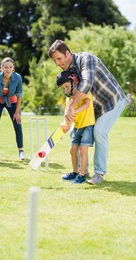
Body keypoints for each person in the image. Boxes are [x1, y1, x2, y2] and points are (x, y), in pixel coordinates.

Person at [48, 40, 127, 184]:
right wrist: (67, 119)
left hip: (113, 100)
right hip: (93, 107)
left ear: (67, 53)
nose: (58, 63)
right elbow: (71, 94)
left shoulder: (86, 58)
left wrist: (71, 106)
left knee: (99, 132)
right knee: (75, 132)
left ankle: (99, 174)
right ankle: (80, 172)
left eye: (59, 58)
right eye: (55, 61)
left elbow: (87, 83)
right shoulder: (69, 72)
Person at [56, 70, 95, 184]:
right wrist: (65, 124)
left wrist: (73, 110)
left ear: (74, 81)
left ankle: (82, 175)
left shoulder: (84, 92)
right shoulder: (69, 99)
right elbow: (68, 116)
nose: (66, 90)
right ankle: (75, 172)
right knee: (73, 150)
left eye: (67, 86)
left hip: (87, 126)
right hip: (77, 127)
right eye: (63, 89)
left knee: (83, 152)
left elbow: (86, 105)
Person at [0, 57, 25, 160]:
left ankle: (21, 151)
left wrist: (17, 112)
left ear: (13, 68)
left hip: (12, 101)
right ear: (1, 68)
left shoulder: (18, 78)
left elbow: (19, 96)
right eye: (5, 67)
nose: (8, 69)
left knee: (18, 124)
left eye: (10, 67)